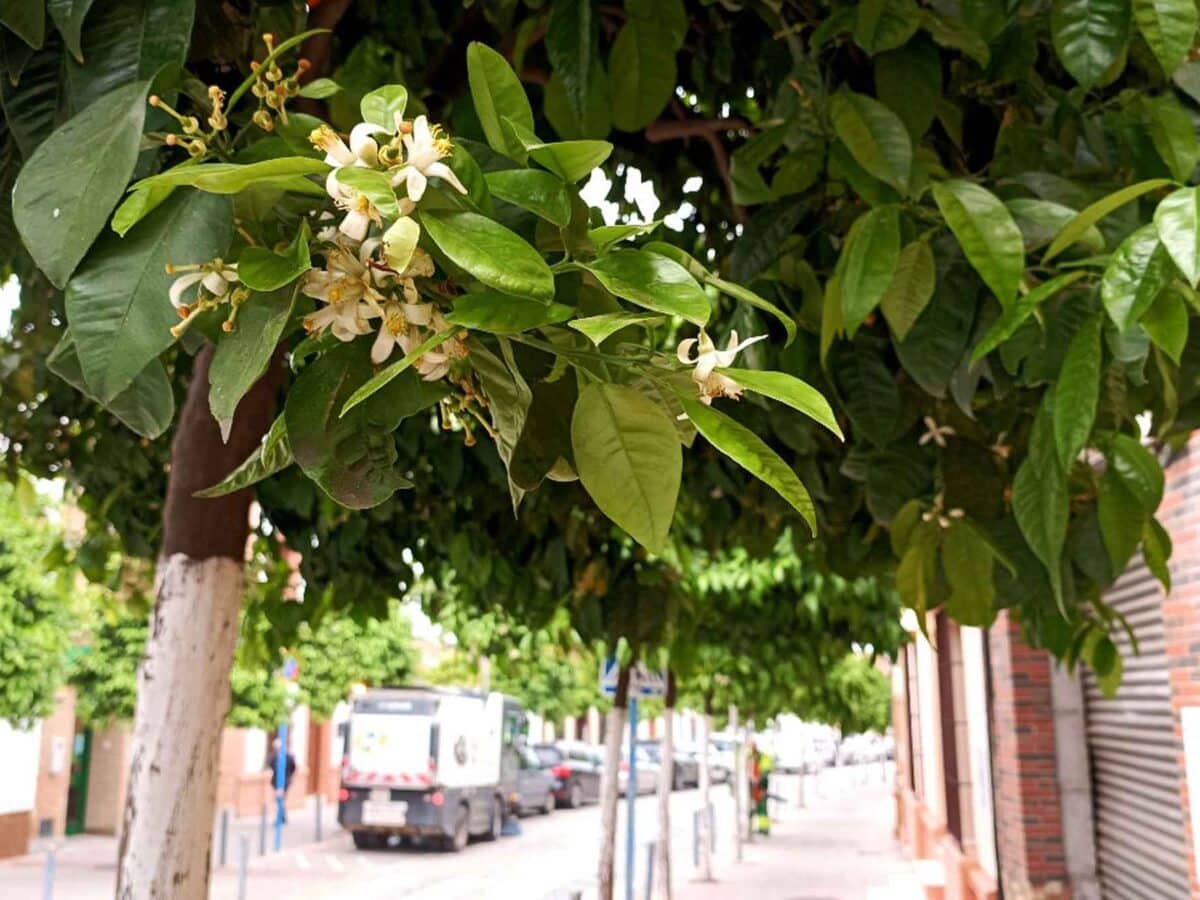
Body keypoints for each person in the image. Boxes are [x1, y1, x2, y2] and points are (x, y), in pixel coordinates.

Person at [265, 737, 297, 823]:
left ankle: (280, 817)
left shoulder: (288, 757)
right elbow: (270, 765)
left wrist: (288, 777)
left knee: (279, 799)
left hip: (284, 781)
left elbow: (293, 768)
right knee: (280, 799)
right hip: (277, 781)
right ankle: (282, 817)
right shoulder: (274, 756)